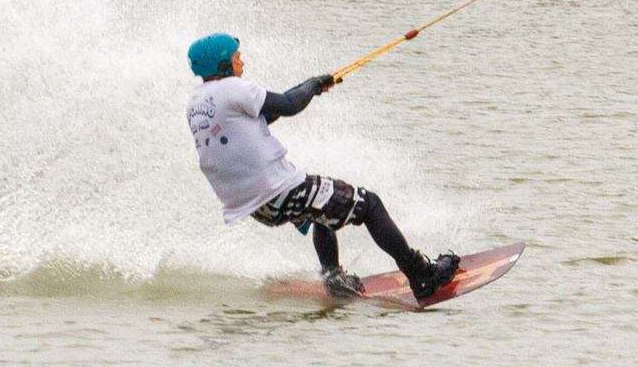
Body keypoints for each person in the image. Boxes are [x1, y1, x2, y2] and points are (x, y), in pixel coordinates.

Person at [184, 34, 459, 305]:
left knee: (322, 210)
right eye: (236, 57)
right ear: (223, 66)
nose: (241, 61)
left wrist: (309, 88)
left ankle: (334, 279)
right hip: (279, 190)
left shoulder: (198, 102)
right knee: (369, 205)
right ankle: (421, 276)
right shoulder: (233, 87)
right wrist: (312, 86)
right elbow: (290, 106)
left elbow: (266, 115)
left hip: (253, 205)